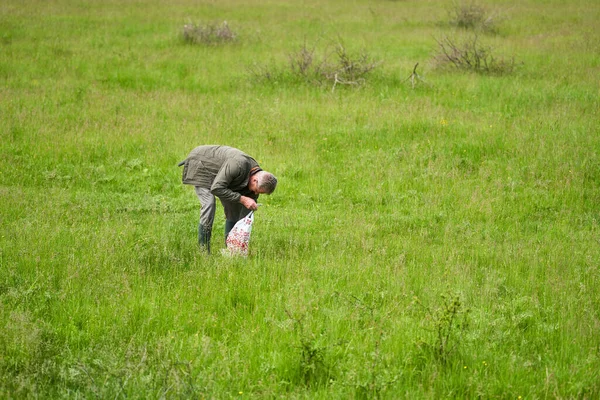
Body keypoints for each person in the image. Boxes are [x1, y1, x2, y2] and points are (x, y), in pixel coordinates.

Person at [178, 145, 277, 253]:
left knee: (234, 207)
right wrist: (242, 199)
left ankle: (232, 249)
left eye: (259, 193)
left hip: (221, 176)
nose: (256, 193)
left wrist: (243, 228)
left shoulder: (255, 174)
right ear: (254, 180)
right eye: (257, 190)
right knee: (209, 204)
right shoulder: (238, 165)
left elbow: (244, 212)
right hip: (202, 165)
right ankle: (203, 251)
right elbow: (217, 188)